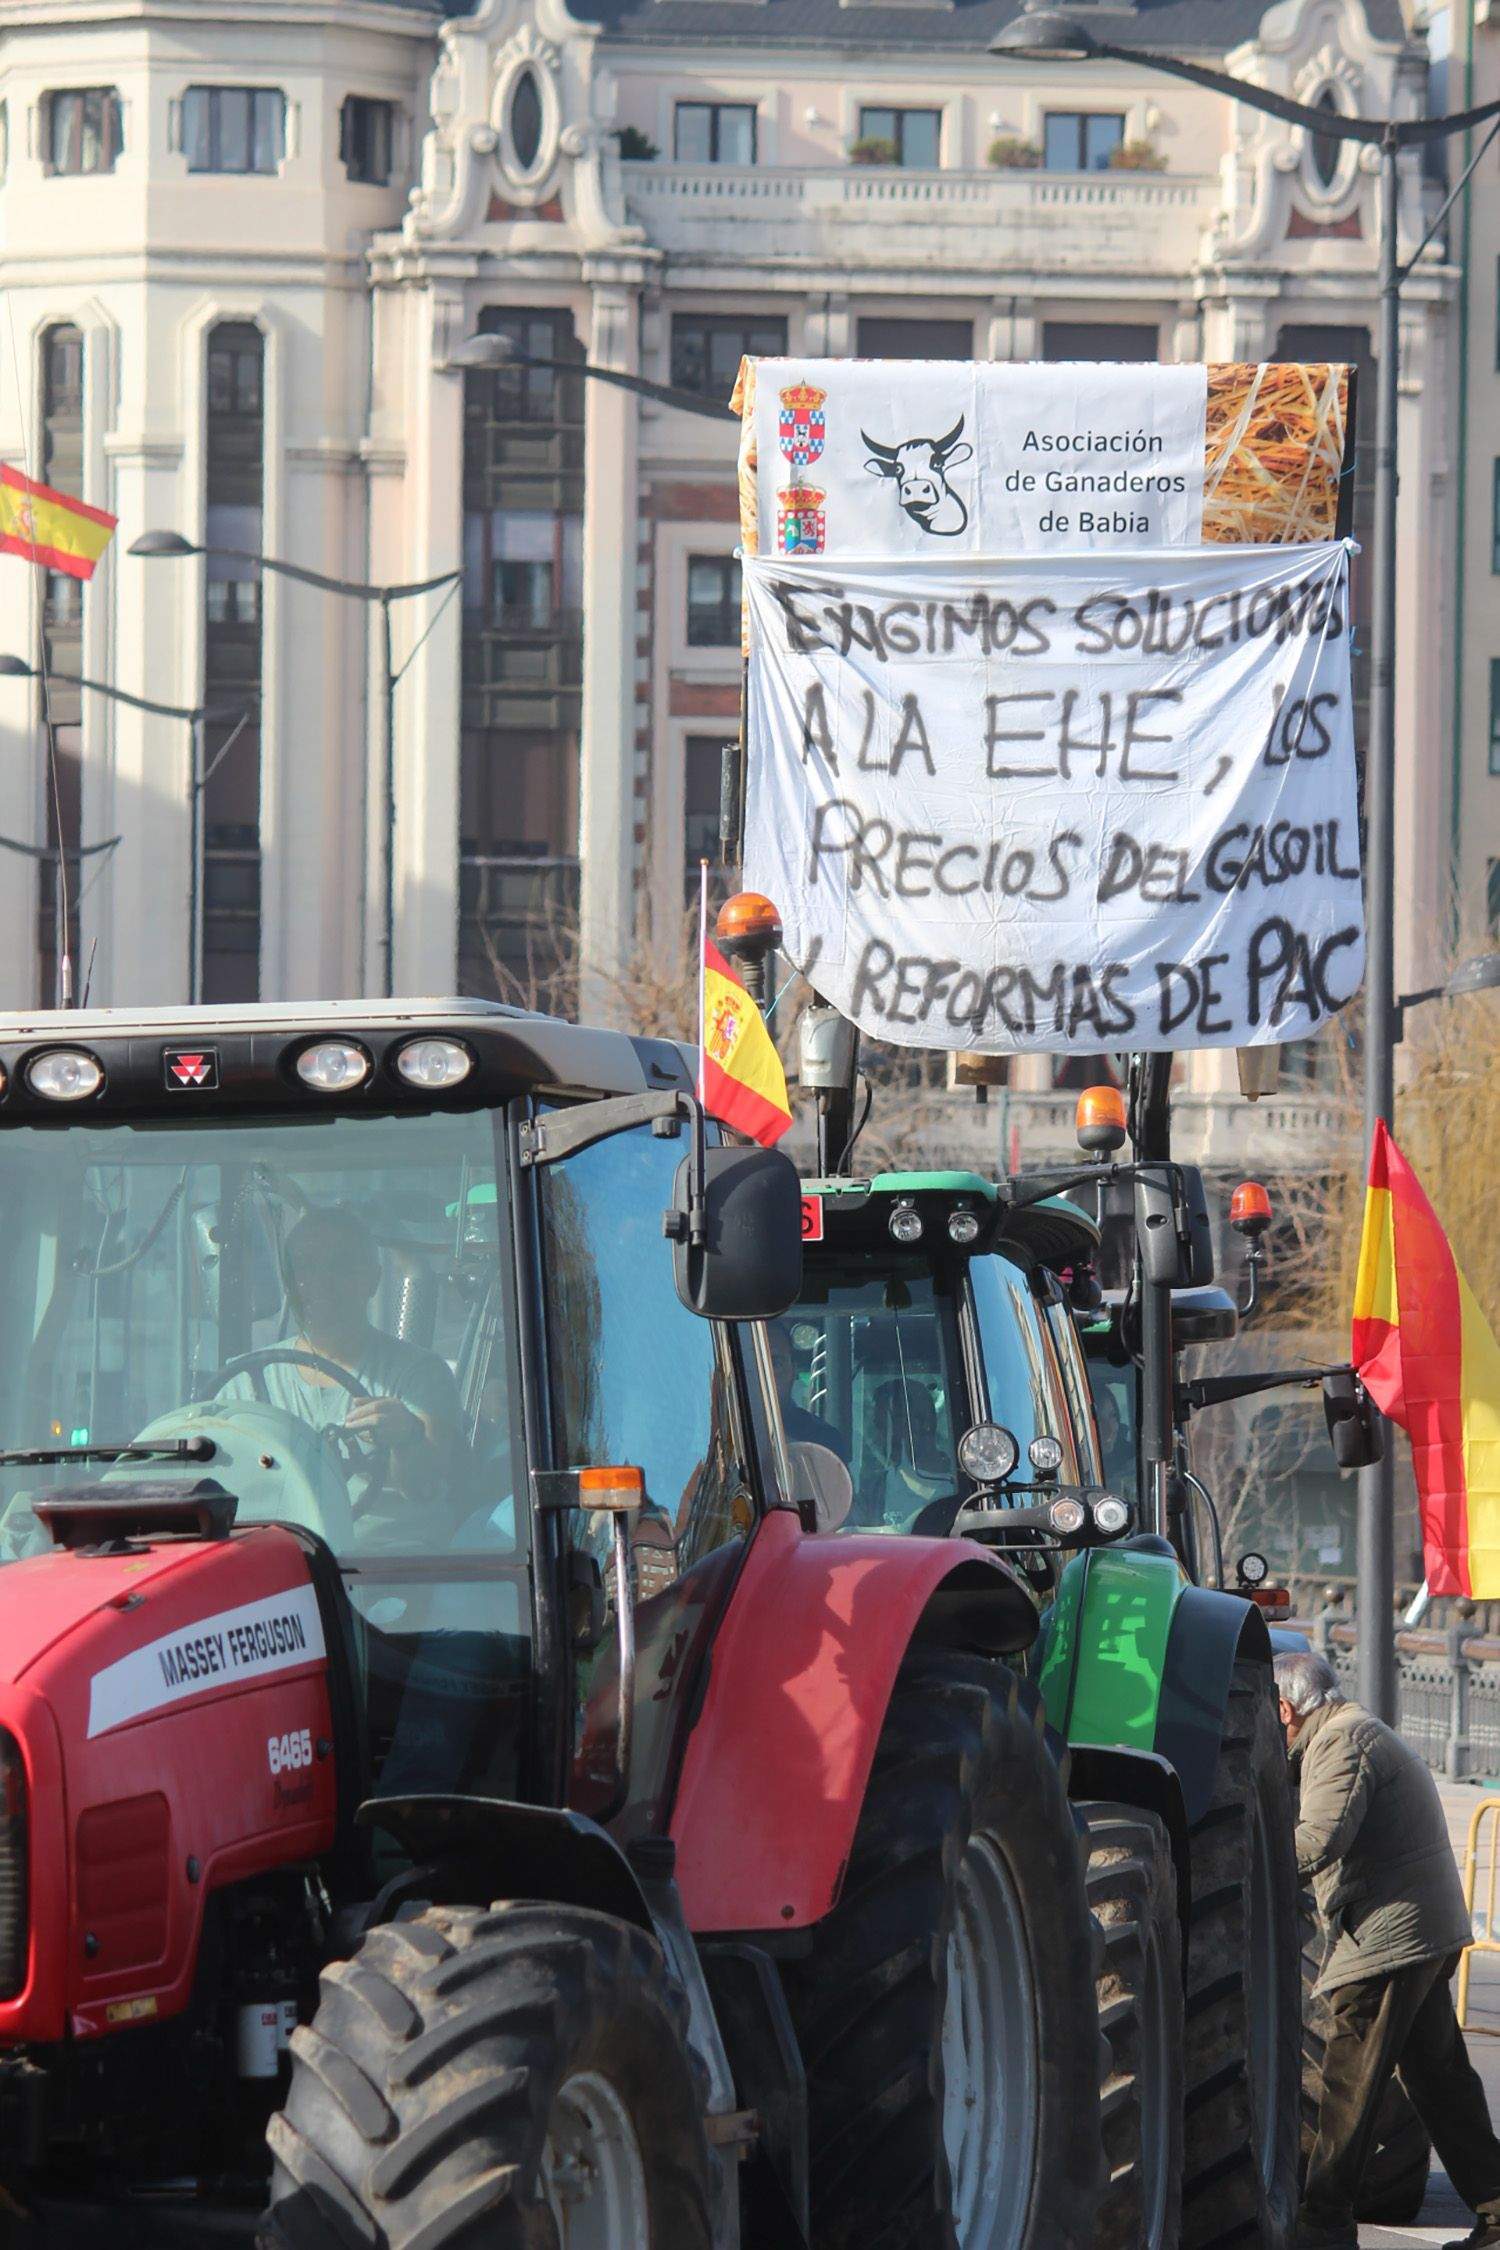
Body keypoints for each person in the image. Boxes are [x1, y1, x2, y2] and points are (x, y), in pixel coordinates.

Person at [1277, 1648, 1500, 2250]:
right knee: (1438, 2077)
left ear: (1283, 1709)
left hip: (1389, 1940)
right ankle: (1497, 2208)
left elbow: (1318, 1839)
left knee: (1348, 2082)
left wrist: (1250, 1867)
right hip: (1419, 1931)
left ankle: (1321, 2225)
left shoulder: (1342, 1742)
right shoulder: (1356, 1732)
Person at [223, 1206, 462, 1500]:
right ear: (287, 1281)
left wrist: (408, 1437)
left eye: (341, 1266)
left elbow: (425, 1484)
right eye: (305, 1267)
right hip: (278, 1542)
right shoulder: (243, 1381)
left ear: (373, 1279)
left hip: (392, 1544)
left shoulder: (421, 1374)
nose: (320, 1282)